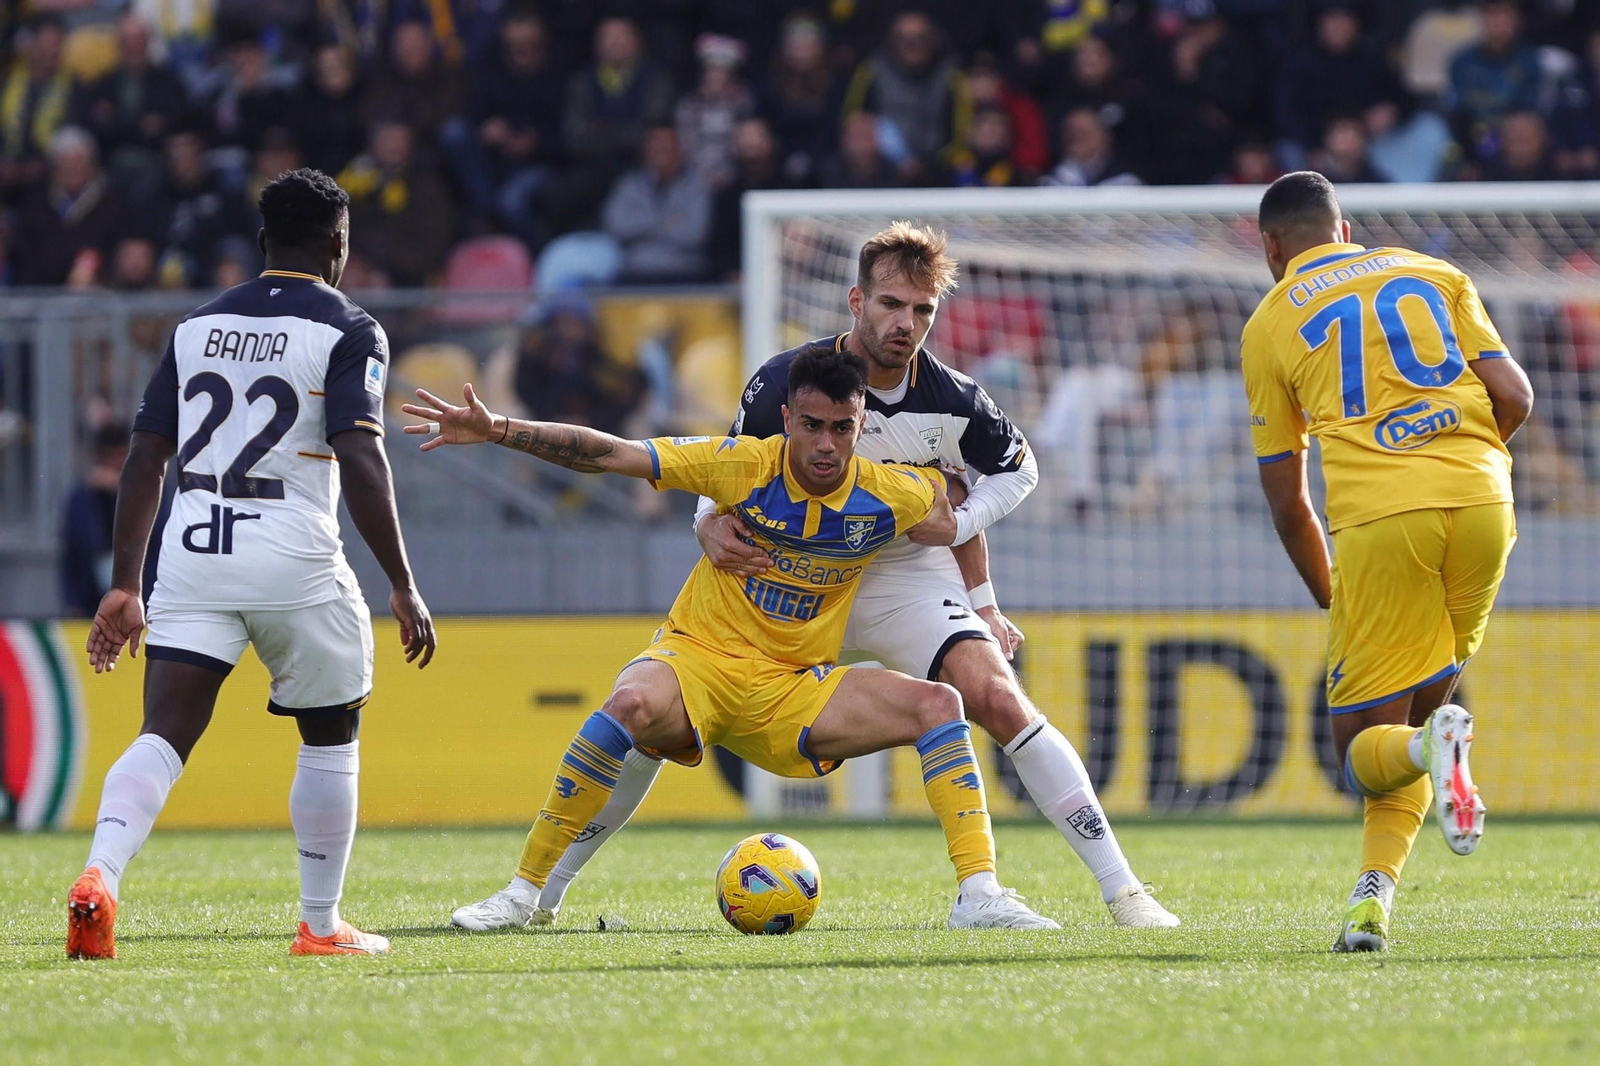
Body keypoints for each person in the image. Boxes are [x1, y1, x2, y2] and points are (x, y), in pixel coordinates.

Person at [446, 223, 1178, 931]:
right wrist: (705, 522)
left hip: (897, 573)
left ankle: (1108, 890)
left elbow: (993, 480)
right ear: (857, 302)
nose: (905, 323)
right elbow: (714, 465)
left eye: (922, 310)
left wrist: (975, 578)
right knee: (640, 714)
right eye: (891, 303)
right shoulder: (784, 384)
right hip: (775, 592)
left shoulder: (950, 406)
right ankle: (536, 891)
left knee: (988, 694)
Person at [412, 345, 1057, 931]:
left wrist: (983, 602)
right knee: (629, 703)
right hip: (698, 661)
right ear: (786, 419)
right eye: (811, 425)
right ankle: (523, 893)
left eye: (842, 428)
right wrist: (499, 429)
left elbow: (955, 507)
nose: (826, 445)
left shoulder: (895, 491)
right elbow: (612, 453)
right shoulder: (742, 465)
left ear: (862, 426)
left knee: (941, 704)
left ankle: (979, 894)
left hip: (793, 689)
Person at [66, 168, 437, 961]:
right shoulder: (350, 328)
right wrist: (402, 583)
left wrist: (126, 583)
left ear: (263, 240)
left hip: (194, 553)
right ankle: (320, 924)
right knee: (330, 735)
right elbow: (361, 457)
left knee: (164, 734)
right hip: (293, 559)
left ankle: (100, 874)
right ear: (338, 246)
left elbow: (145, 458)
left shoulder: (196, 326)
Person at [1241, 172, 1534, 952]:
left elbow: (1288, 499)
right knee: (1421, 718)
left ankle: (1429, 751)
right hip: (1485, 502)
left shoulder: (1270, 321)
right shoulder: (1434, 272)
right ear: (1343, 229)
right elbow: (1516, 395)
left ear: (1271, 247)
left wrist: (1330, 594)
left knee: (1365, 750)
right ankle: (1369, 905)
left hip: (1382, 522)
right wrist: (1460, 462)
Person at [60, 423, 131, 617]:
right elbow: (71, 552)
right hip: (89, 602)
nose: (115, 464)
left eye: (120, 456)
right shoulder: (81, 497)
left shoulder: (148, 494)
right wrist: (72, 601)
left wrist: (120, 493)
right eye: (108, 457)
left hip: (137, 598)